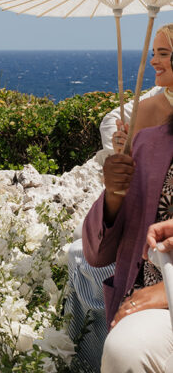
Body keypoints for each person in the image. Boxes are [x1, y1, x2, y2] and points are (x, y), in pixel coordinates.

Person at [68, 25, 173, 370]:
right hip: (149, 285)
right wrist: (114, 193)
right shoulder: (151, 133)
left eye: (165, 53)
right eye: (154, 52)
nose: (155, 61)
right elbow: (99, 252)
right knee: (126, 348)